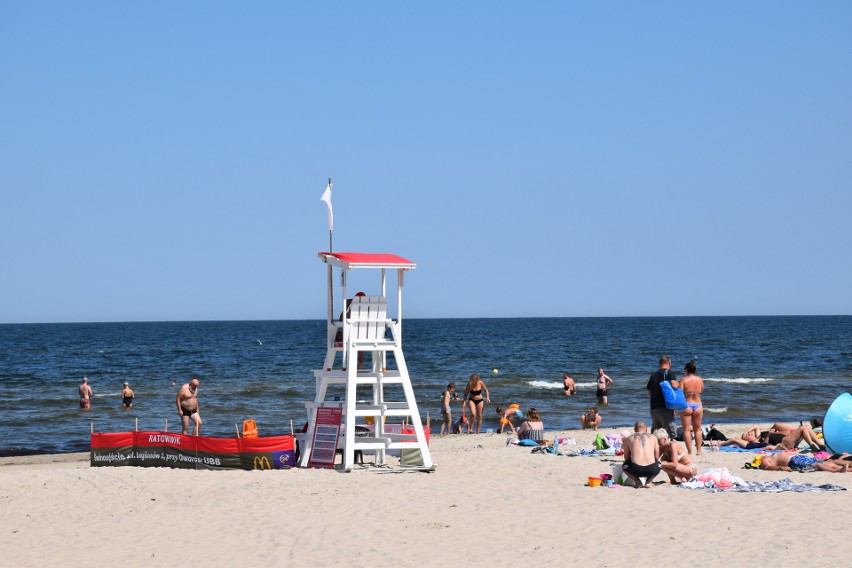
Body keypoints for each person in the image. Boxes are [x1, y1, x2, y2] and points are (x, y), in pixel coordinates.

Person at [647, 356, 679, 439]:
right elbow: (674, 386)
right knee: (671, 433)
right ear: (669, 363)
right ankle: (672, 450)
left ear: (660, 364)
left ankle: (656, 450)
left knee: (656, 433)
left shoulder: (653, 375)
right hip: (665, 407)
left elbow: (650, 392)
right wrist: (681, 383)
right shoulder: (669, 373)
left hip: (654, 407)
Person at [621, 421, 661, 489]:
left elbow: (626, 458)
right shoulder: (653, 437)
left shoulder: (629, 438)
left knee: (624, 466)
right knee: (659, 464)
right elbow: (657, 456)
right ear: (646, 429)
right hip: (651, 469)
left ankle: (638, 481)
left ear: (635, 429)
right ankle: (648, 482)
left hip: (636, 470)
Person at [679, 360, 704, 455]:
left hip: (687, 404)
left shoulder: (683, 380)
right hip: (698, 405)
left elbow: (680, 394)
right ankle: (699, 451)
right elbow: (701, 390)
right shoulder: (700, 379)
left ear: (686, 370)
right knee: (697, 429)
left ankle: (689, 451)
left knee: (686, 429)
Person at [759, 452, 846, 473]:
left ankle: (846, 469)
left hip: (799, 458)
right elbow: (767, 467)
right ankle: (837, 471)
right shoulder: (764, 460)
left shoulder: (770, 456)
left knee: (827, 462)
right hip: (793, 461)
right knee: (817, 464)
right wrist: (781, 468)